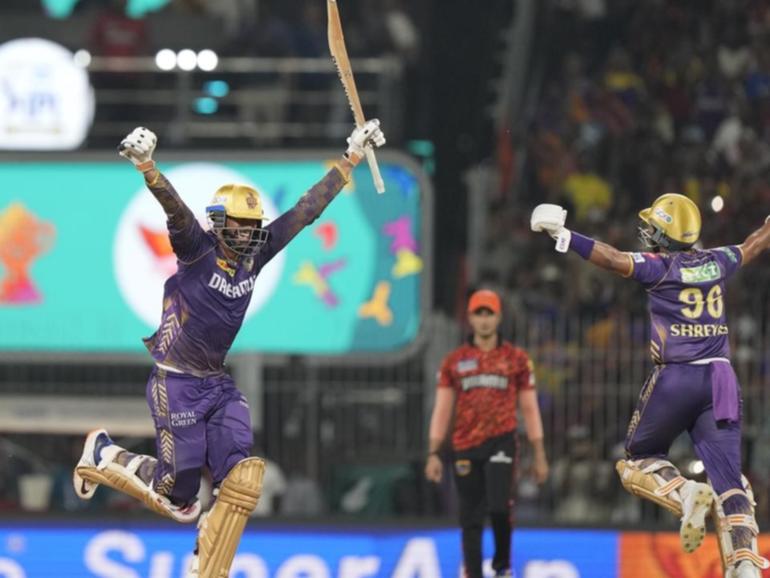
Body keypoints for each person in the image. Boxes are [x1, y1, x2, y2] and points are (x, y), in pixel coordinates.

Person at [72, 120, 386, 577]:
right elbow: (176, 212)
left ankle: (207, 550)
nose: (249, 234)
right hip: (175, 382)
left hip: (216, 384)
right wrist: (148, 168)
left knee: (242, 474)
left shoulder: (255, 258)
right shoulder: (196, 248)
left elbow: (303, 212)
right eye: (239, 226)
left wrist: (350, 158)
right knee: (179, 499)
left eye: (253, 226)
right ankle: (105, 455)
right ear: (219, 224)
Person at [530, 195, 770, 577]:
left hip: (677, 376)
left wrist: (564, 235)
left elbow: (610, 258)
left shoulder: (658, 267)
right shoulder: (718, 261)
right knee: (732, 482)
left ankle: (684, 493)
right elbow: (755, 243)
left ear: (663, 233)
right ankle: (745, 563)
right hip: (721, 379)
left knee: (636, 460)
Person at [425, 289, 549, 578]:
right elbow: (442, 410)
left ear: (499, 317)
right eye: (478, 313)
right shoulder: (454, 361)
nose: (483, 320)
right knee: (469, 516)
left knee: (498, 506)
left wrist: (540, 454)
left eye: (489, 313)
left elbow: (529, 408)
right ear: (469, 318)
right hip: (465, 445)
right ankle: (472, 572)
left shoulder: (516, 359)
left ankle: (502, 567)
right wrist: (433, 453)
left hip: (502, 440)